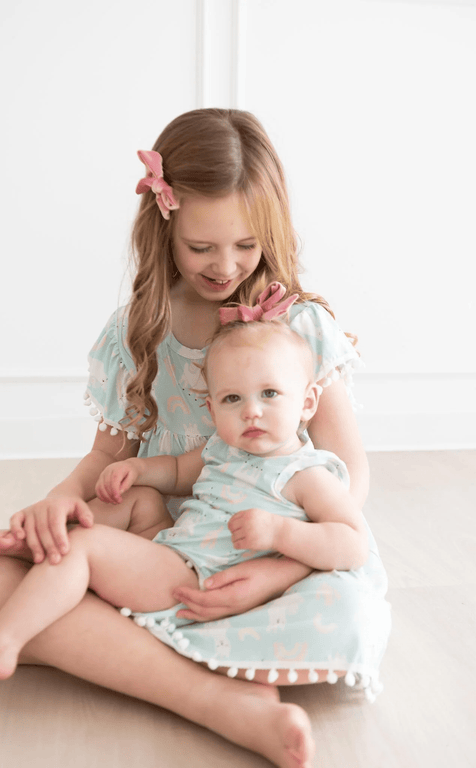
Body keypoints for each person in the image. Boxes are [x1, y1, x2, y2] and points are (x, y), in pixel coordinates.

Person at [0, 109, 390, 767]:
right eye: (201, 248)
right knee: (21, 567)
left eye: (245, 245)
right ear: (165, 227)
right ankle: (219, 693)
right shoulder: (140, 328)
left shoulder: (300, 326)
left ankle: (179, 677)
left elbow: (349, 474)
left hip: (277, 543)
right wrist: (56, 505)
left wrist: (277, 567)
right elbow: (108, 456)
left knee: (349, 610)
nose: (225, 266)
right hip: (162, 546)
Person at [0, 312, 374, 687]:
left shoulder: (306, 475)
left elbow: (353, 543)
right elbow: (178, 472)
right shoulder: (223, 447)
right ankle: (43, 545)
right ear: (212, 410)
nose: (251, 411)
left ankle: (9, 636)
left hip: (200, 577)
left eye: (270, 393)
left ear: (308, 402)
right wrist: (138, 470)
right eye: (232, 398)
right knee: (140, 499)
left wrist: (280, 533)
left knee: (86, 547)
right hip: (178, 548)